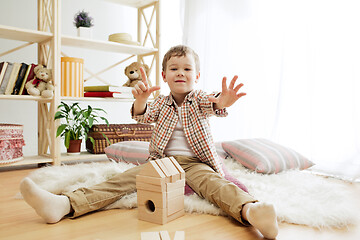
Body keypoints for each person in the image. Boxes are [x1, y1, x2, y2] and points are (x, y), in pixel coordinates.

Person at [20, 45, 278, 239]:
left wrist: (223, 101)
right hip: (163, 164)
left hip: (197, 164)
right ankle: (65, 205)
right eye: (174, 69)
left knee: (216, 186)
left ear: (197, 76)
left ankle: (251, 212)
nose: (181, 73)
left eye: (187, 69)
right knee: (119, 181)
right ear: (164, 76)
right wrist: (142, 100)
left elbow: (214, 103)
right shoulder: (160, 103)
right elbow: (142, 116)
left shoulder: (199, 98)